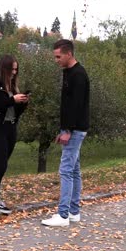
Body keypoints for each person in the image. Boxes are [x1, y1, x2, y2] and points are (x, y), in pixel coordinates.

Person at [41, 39, 90, 227]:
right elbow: (67, 105)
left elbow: (76, 106)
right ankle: (73, 212)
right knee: (75, 170)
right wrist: (63, 128)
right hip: (72, 128)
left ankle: (62, 215)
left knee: (66, 170)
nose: (56, 60)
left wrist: (68, 130)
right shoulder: (68, 73)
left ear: (68, 53)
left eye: (58, 56)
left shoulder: (78, 75)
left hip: (76, 129)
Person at [0, 55, 29, 215]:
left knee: (2, 166)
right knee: (0, 164)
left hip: (10, 128)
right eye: (12, 69)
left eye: (16, 70)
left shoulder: (13, 87)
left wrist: (22, 103)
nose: (14, 73)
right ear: (4, 69)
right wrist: (12, 100)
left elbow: (15, 112)